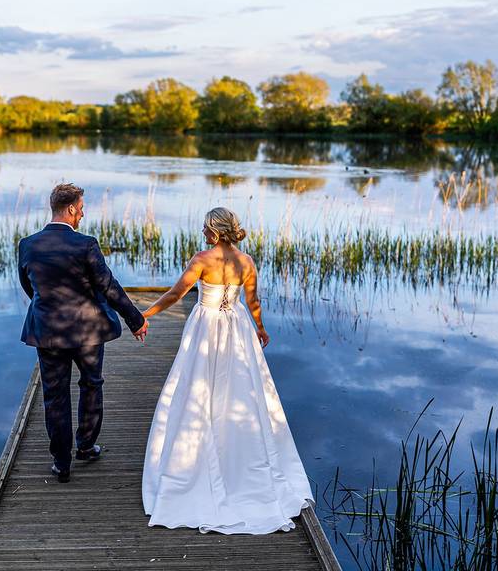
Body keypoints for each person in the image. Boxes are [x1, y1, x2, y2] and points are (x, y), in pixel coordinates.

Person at [140, 206, 313, 533]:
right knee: (241, 391)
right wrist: (260, 328)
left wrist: (145, 314)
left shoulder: (202, 260)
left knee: (197, 388)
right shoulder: (246, 262)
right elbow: (253, 301)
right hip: (237, 329)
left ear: (216, 231)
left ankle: (195, 465)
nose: (203, 232)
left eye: (207, 228)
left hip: (206, 328)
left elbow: (177, 294)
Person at [17, 183, 148, 483]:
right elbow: (108, 286)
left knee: (55, 396)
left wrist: (47, 306)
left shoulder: (28, 244)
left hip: (47, 330)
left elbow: (29, 286)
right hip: (88, 331)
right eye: (82, 207)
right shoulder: (85, 244)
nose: (84, 213)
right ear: (72, 209)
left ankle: (61, 463)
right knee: (91, 384)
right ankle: (86, 446)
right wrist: (135, 319)